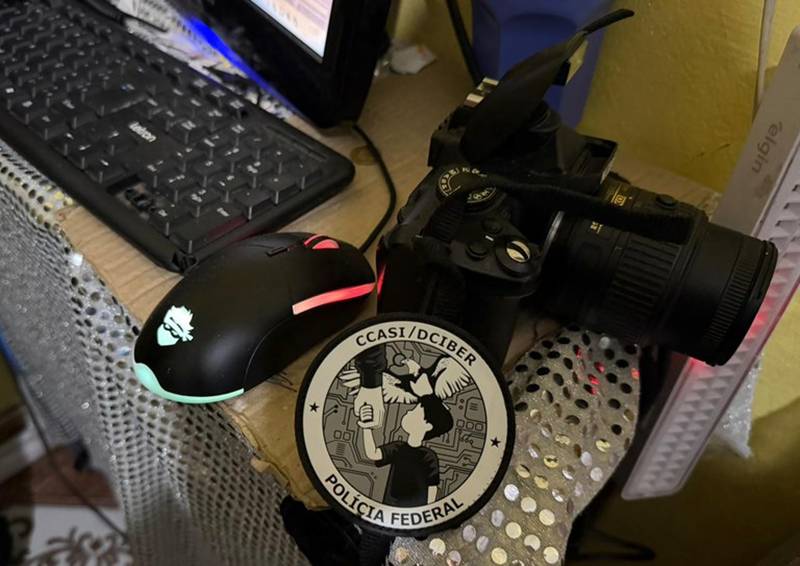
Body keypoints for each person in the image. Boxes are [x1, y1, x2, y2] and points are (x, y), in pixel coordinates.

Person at [358, 395, 453, 506]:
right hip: (391, 507)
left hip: (416, 509)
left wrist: (428, 508)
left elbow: (432, 487)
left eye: (414, 412)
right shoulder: (397, 447)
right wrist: (366, 427)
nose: (408, 411)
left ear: (427, 425)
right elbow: (373, 454)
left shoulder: (429, 457)